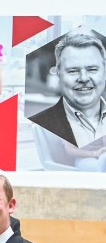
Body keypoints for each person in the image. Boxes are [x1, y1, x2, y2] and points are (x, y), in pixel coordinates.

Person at [29, 31, 106, 172]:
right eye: (73, 71)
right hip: (87, 161)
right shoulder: (60, 116)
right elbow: (70, 150)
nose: (83, 78)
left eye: (92, 69)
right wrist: (96, 153)